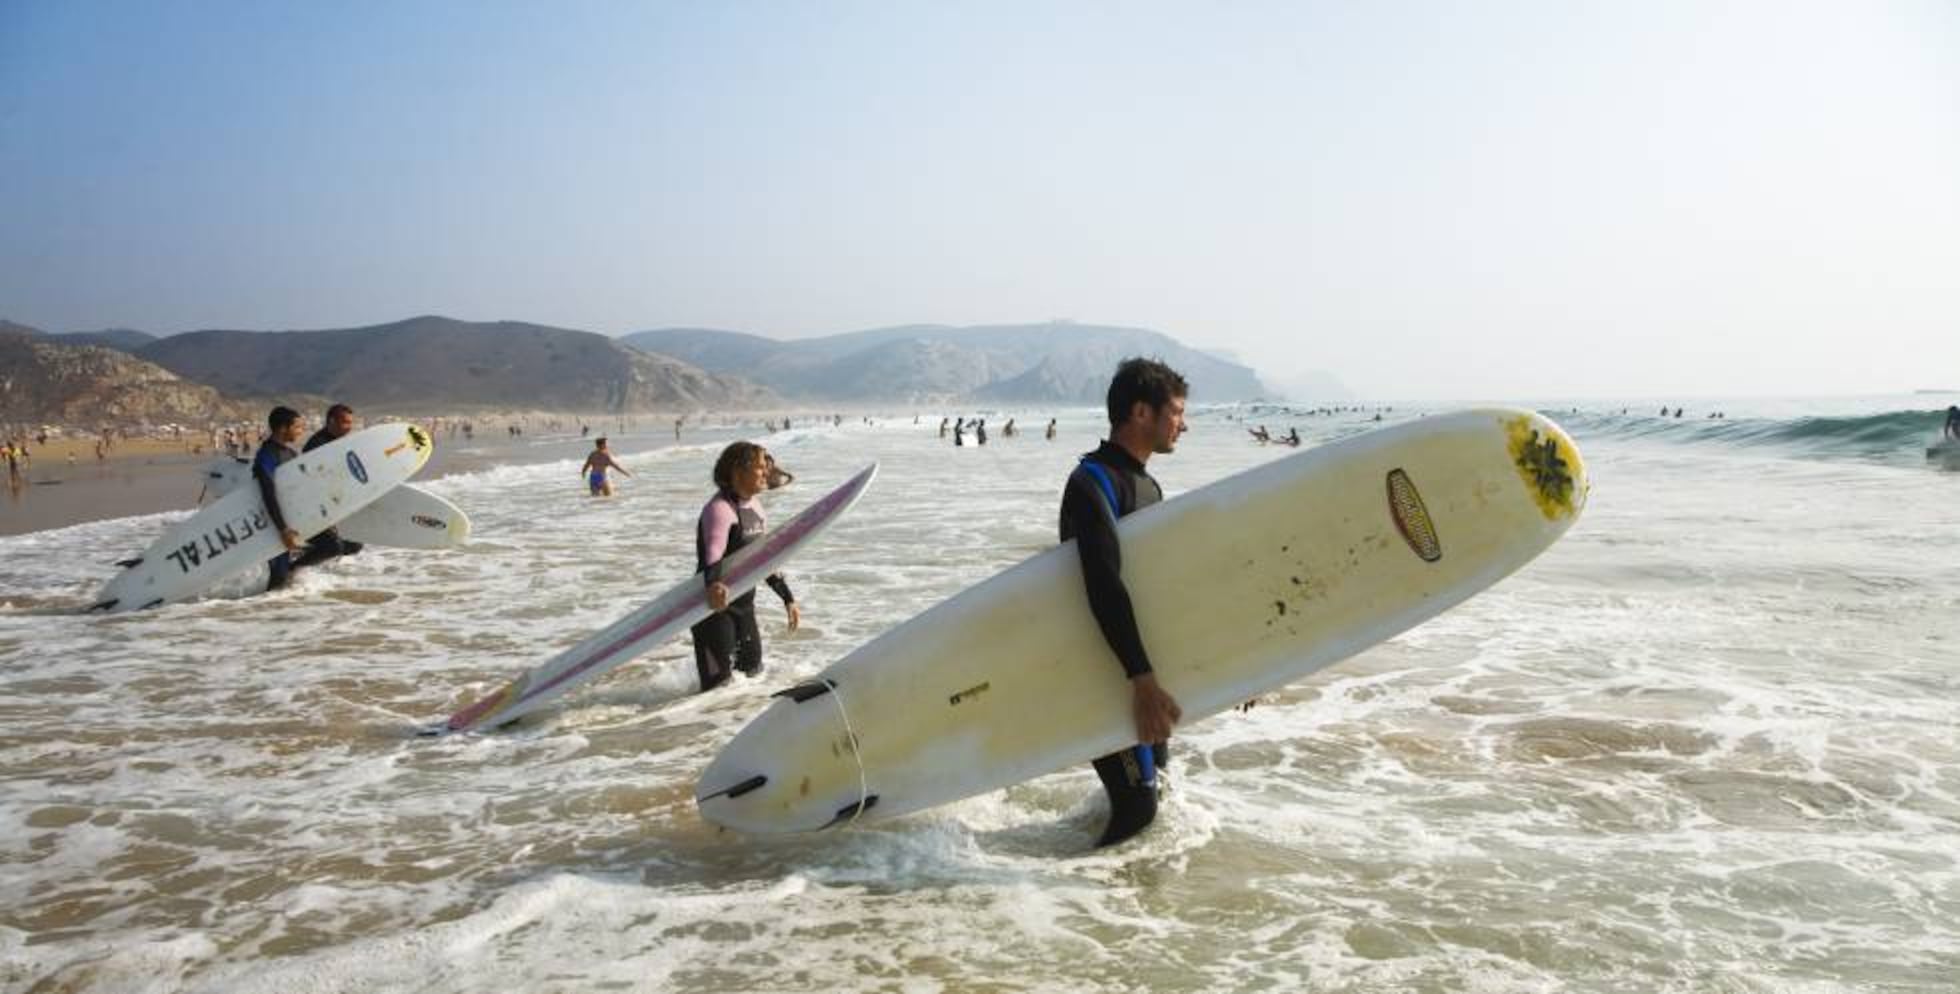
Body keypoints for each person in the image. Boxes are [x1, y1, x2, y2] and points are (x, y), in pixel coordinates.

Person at [1060, 357, 1188, 847]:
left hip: (1136, 667)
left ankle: (1131, 915)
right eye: (1175, 411)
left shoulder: (1147, 487)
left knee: (1162, 787)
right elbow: (1103, 584)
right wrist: (1142, 681)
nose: (1183, 423)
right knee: (1138, 807)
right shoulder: (1094, 482)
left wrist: (1233, 665)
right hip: (1104, 669)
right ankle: (1061, 907)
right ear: (1141, 412)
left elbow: (1163, 591)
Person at [691, 441, 800, 691]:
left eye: (766, 467)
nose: (766, 473)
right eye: (760, 468)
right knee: (716, 692)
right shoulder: (719, 509)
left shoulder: (756, 508)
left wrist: (787, 598)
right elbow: (713, 555)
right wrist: (714, 584)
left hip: (744, 608)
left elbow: (762, 558)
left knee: (753, 679)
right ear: (737, 471)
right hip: (713, 612)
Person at [294, 404, 366, 568]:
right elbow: (314, 482)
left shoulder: (335, 442)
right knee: (334, 546)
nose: (350, 427)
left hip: (326, 507)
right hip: (310, 507)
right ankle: (293, 571)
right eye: (345, 423)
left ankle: (307, 561)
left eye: (351, 423)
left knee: (354, 545)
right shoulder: (318, 445)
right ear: (332, 421)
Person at [253, 406, 308, 591]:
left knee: (284, 578)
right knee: (278, 577)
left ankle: (275, 612)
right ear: (283, 428)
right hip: (273, 524)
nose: (302, 431)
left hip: (289, 521)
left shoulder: (290, 454)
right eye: (298, 427)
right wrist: (282, 528)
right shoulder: (267, 455)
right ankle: (263, 613)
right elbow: (267, 492)